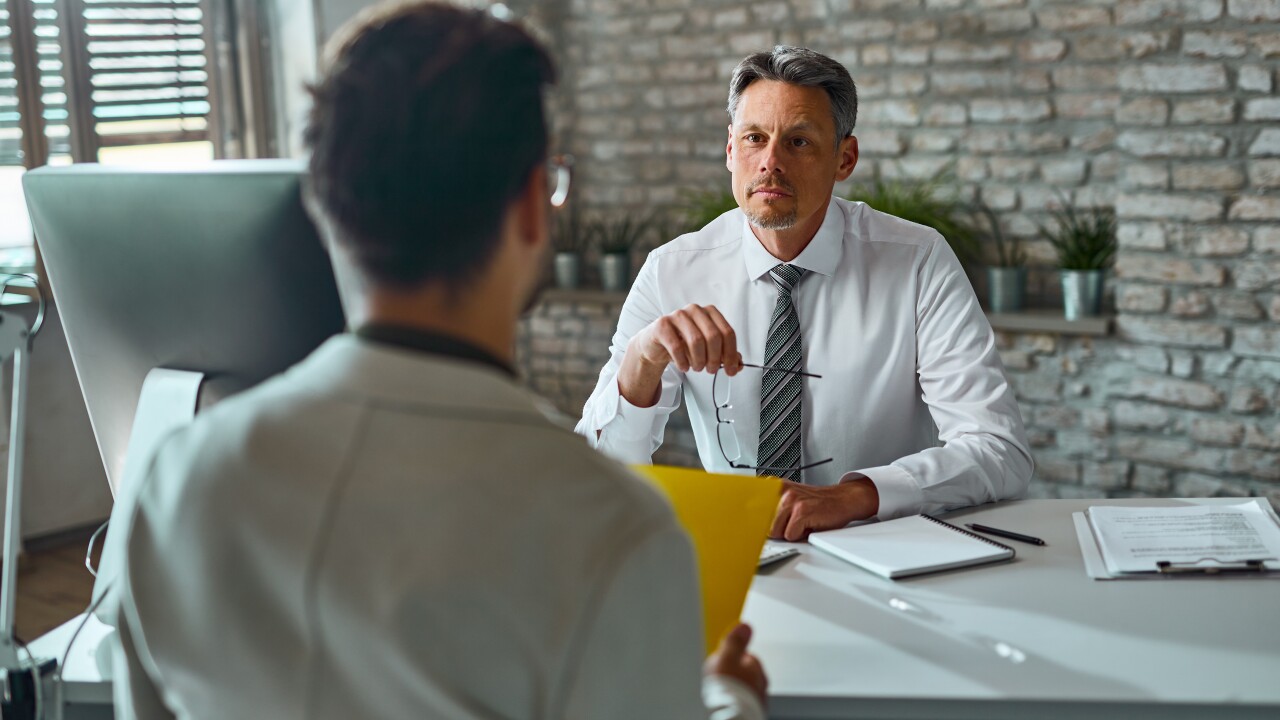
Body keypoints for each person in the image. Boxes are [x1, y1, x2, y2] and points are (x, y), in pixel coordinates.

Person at [104, 3, 766, 718]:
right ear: (532, 207)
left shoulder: (175, 481)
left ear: (323, 204)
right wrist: (727, 700)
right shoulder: (613, 528)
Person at [576, 46, 1033, 541]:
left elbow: (998, 447)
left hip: (888, 551)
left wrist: (853, 497)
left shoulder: (918, 260)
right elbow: (601, 475)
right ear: (731, 150)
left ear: (845, 158)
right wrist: (641, 363)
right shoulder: (671, 271)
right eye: (754, 138)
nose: (770, 162)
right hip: (742, 558)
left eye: (798, 142)